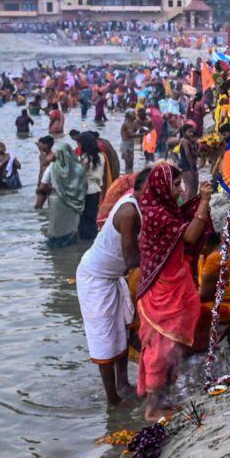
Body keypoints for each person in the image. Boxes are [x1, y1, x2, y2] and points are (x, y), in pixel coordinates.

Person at [135, 163, 210, 421]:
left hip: (173, 287)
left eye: (180, 184)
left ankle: (164, 401)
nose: (180, 190)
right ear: (161, 186)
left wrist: (201, 199)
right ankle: (153, 408)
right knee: (159, 350)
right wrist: (205, 202)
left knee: (170, 347)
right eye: (176, 184)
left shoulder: (166, 210)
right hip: (160, 294)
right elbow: (190, 236)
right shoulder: (155, 214)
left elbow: (185, 220)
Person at [77, 166, 145, 405]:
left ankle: (123, 383)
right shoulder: (129, 212)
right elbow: (132, 260)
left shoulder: (138, 204)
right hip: (95, 279)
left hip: (113, 276)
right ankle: (112, 400)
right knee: (105, 338)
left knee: (121, 330)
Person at [40, 143, 86, 247]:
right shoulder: (78, 169)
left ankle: (56, 248)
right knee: (71, 225)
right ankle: (70, 249)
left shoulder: (52, 167)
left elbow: (42, 187)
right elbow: (83, 187)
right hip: (74, 202)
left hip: (56, 200)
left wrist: (55, 189)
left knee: (56, 226)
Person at [78, 132, 107, 241]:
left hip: (85, 191)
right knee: (92, 218)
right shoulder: (101, 157)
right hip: (96, 190)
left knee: (84, 220)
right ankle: (92, 241)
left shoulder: (84, 158)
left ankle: (85, 243)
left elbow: (80, 175)